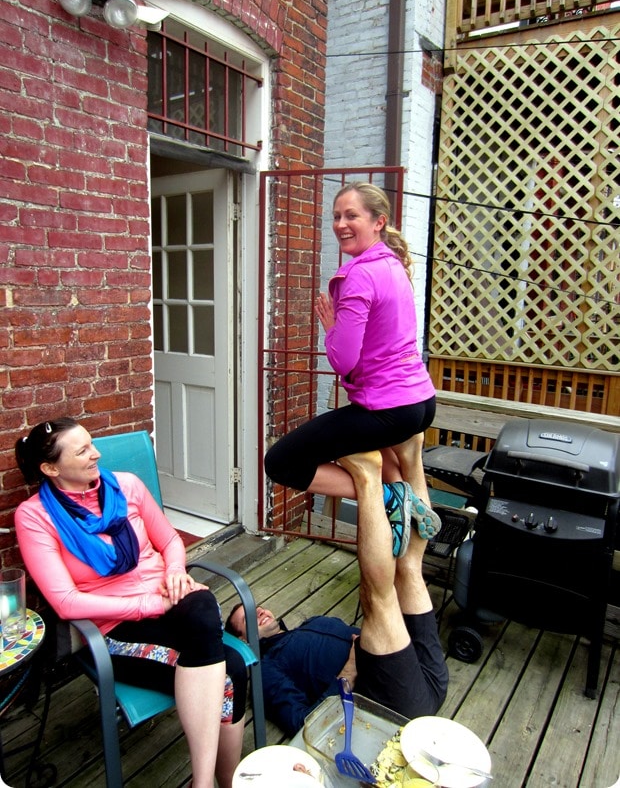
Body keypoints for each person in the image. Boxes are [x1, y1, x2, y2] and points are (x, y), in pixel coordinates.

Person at [14, 418, 245, 788]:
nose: (96, 454)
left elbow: (169, 541)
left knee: (200, 603)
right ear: (50, 468)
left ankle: (207, 784)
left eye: (92, 443)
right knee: (232, 671)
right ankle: (212, 783)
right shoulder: (34, 517)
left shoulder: (127, 486)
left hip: (166, 597)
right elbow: (66, 603)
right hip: (114, 627)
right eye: (83, 451)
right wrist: (149, 604)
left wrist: (174, 572)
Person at [264, 182, 442, 558]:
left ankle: (389, 495)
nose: (341, 224)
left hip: (388, 409)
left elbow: (343, 360)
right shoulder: (393, 265)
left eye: (351, 215)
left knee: (281, 462)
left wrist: (331, 330)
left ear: (378, 222)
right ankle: (405, 500)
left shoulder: (359, 274)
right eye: (336, 216)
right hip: (421, 402)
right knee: (377, 449)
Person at [226, 452, 448, 737]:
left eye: (255, 606)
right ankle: (380, 485)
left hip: (425, 673)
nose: (258, 611)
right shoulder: (267, 671)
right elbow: (301, 724)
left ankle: (409, 455)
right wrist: (350, 671)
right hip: (396, 703)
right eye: (247, 618)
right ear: (244, 641)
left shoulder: (308, 625)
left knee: (409, 567)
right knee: (379, 597)